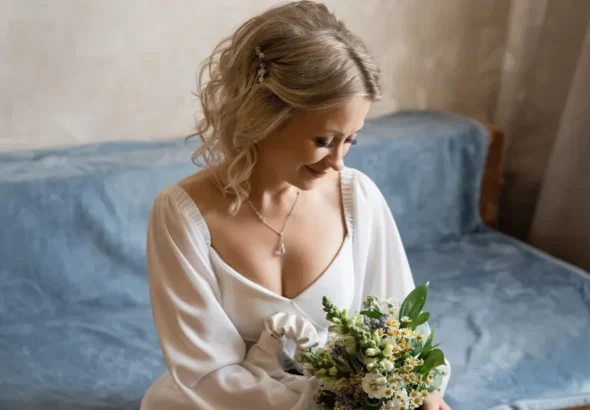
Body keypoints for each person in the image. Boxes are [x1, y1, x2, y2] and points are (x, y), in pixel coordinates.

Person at [141, 1, 451, 409]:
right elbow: (206, 372)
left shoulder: (357, 198)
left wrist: (422, 395)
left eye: (351, 139)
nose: (338, 162)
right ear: (264, 117)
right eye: (323, 140)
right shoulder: (182, 214)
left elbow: (401, 331)